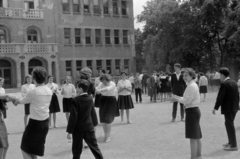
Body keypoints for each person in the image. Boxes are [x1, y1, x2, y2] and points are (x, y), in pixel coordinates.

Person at [14, 67, 53, 159]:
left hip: (35, 124)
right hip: (45, 123)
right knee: (33, 150)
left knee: (24, 148)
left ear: (34, 78)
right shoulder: (49, 90)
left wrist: (14, 100)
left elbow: (22, 100)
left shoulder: (33, 91)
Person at [168, 68, 202, 159]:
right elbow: (186, 97)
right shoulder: (191, 84)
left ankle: (194, 157)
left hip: (192, 111)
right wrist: (177, 97)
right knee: (196, 136)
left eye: (186, 75)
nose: (184, 77)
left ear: (192, 76)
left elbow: (187, 100)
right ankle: (198, 156)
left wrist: (176, 99)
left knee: (193, 137)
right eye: (184, 75)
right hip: (193, 111)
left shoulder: (191, 86)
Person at [67, 79, 104, 159]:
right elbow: (92, 112)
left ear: (80, 89)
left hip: (78, 129)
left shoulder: (75, 100)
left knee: (76, 150)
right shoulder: (90, 98)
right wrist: (94, 123)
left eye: (77, 87)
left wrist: (70, 131)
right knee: (94, 147)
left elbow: (73, 117)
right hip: (88, 126)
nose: (76, 89)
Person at [212, 67, 239, 151]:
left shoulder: (224, 84)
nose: (219, 76)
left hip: (228, 108)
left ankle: (234, 145)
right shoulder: (234, 82)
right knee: (228, 124)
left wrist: (215, 108)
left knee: (229, 125)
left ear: (223, 75)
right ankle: (231, 142)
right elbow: (238, 96)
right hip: (234, 107)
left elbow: (220, 97)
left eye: (219, 74)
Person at [96, 74, 120, 143]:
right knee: (103, 119)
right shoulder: (101, 83)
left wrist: (100, 90)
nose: (104, 82)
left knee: (108, 119)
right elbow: (97, 88)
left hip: (111, 100)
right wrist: (97, 89)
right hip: (103, 100)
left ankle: (108, 136)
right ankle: (105, 134)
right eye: (103, 81)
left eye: (105, 81)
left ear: (108, 80)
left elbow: (107, 89)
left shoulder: (112, 83)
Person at [0, 77, 16, 159]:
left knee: (5, 145)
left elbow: (4, 99)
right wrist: (13, 98)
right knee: (2, 145)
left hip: (0, 117)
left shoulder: (2, 89)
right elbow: (3, 97)